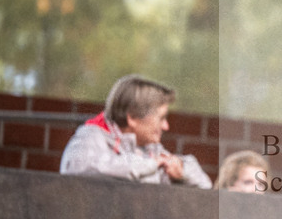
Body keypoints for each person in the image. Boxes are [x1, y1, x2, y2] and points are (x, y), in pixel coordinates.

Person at [60, 74, 212, 189]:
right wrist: (148, 165)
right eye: (161, 118)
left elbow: (206, 186)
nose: (166, 126)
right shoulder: (90, 137)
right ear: (132, 117)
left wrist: (182, 171)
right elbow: (79, 170)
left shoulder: (150, 148)